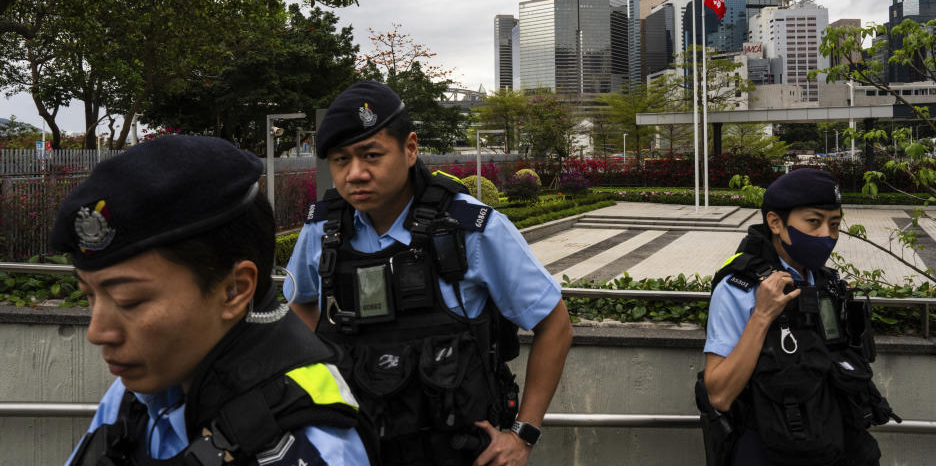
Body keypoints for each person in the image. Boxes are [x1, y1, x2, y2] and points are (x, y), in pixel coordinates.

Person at [284, 81, 573, 466]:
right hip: (352, 449)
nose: (355, 173)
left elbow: (555, 325)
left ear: (410, 149)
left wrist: (523, 435)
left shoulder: (469, 228)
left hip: (456, 451)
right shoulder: (321, 230)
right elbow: (302, 308)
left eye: (371, 155)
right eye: (340, 160)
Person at [51, 135, 371, 466]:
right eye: (89, 295)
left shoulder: (314, 448)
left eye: (129, 300)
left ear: (234, 289)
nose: (97, 332)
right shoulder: (131, 397)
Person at [696, 168, 898, 466]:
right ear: (776, 222)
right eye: (813, 222)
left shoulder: (824, 280)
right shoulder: (740, 287)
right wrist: (763, 315)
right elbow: (719, 395)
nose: (826, 235)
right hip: (770, 447)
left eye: (835, 224)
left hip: (834, 444)